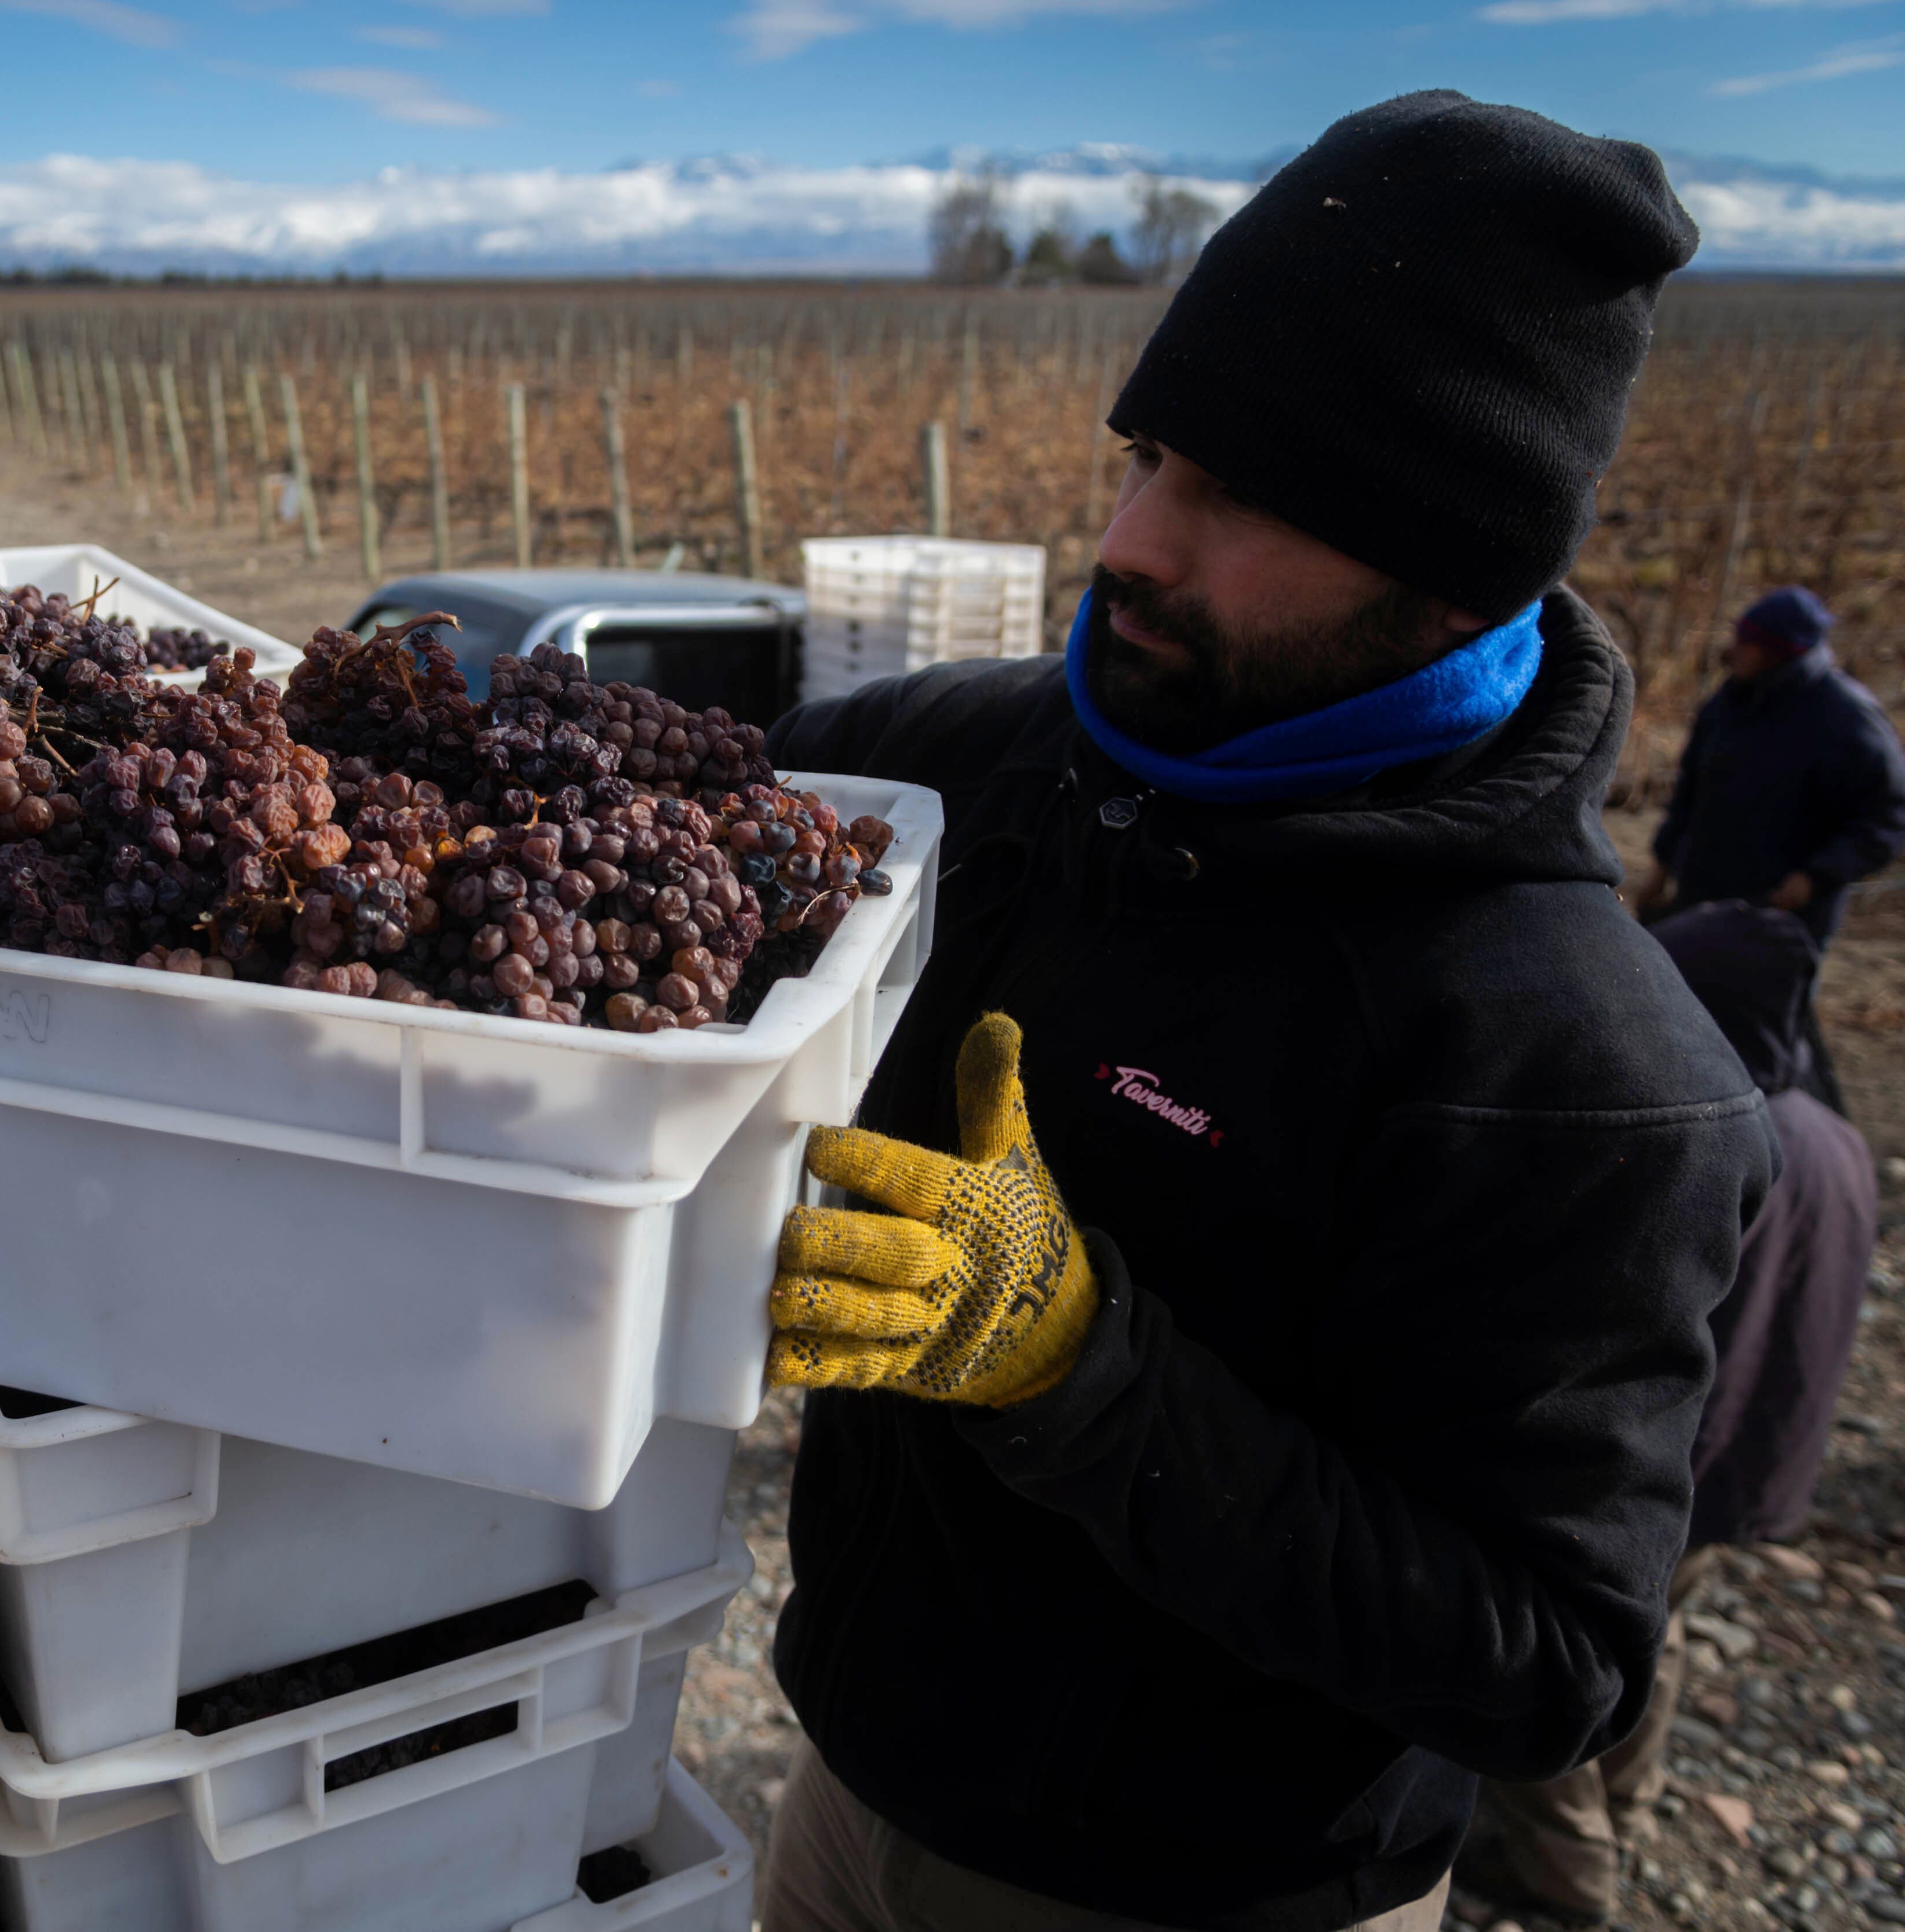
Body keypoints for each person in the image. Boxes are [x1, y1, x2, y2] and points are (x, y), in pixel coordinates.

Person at [752, 92, 1776, 1932]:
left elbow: (1546, 1660)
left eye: (1239, 496)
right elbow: (647, 831)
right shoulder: (978, 764)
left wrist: (1071, 1364)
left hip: (1200, 1900)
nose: (1133, 539)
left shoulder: (1580, 1072)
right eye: (1148, 454)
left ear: (1447, 567)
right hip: (840, 1792)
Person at [1465, 901, 1878, 1924]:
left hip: (1678, 1464)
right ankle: (1631, 1808)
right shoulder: (1834, 1135)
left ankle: (1570, 1871)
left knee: (1545, 1661)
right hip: (1760, 1461)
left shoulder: (1712, 1127)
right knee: (1662, 1641)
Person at [1640, 588, 1905, 951]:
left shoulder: (1847, 720)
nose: (1732, 651)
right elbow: (1692, 788)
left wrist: (1816, 877)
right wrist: (1663, 862)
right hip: (1701, 898)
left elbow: (1888, 816)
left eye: (1746, 642)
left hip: (1782, 919)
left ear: (1778, 652)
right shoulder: (1730, 702)